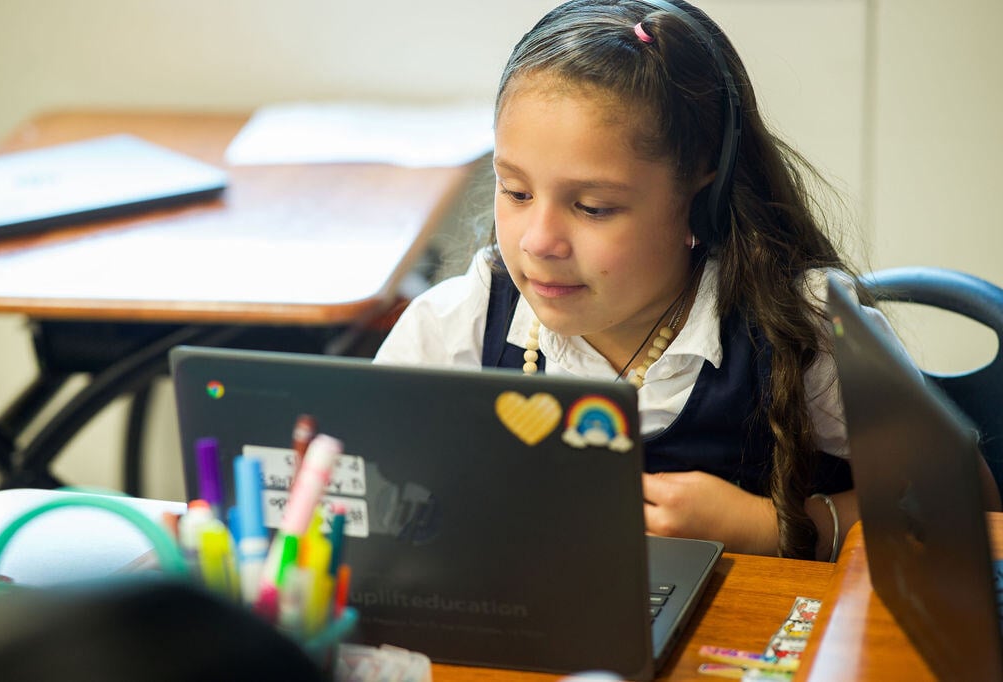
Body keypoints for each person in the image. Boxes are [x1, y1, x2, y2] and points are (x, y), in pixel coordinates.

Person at [373, 0, 996, 559]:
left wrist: (776, 527)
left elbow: (968, 502)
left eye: (592, 207)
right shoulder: (463, 321)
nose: (537, 242)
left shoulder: (797, 326)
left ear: (699, 196)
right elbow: (356, 489)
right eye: (515, 191)